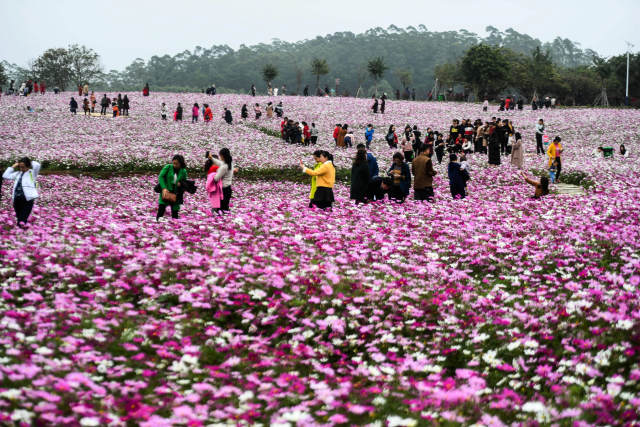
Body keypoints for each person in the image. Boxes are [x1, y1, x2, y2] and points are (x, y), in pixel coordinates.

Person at [3, 157, 41, 227]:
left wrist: (29, 161)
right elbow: (5, 175)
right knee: (19, 218)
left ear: (28, 165)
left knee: (22, 219)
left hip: (27, 200)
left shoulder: (32, 173)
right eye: (20, 167)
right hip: (17, 199)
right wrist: (13, 166)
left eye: (23, 167)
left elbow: (37, 165)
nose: (21, 169)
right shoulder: (18, 173)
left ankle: (20, 232)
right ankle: (22, 232)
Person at [156, 155, 187, 220]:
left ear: (181, 163)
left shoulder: (183, 171)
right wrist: (164, 188)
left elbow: (185, 182)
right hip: (166, 191)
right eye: (173, 163)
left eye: (176, 164)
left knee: (175, 211)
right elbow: (161, 177)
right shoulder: (168, 167)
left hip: (175, 194)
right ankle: (158, 221)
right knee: (161, 208)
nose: (174, 165)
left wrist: (180, 183)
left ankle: (174, 225)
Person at [208, 148, 234, 212]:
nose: (219, 157)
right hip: (228, 188)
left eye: (220, 155)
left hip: (223, 190)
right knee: (225, 207)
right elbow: (219, 162)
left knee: (221, 208)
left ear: (222, 156)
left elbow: (216, 179)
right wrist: (211, 158)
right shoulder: (230, 163)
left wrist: (212, 175)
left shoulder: (224, 167)